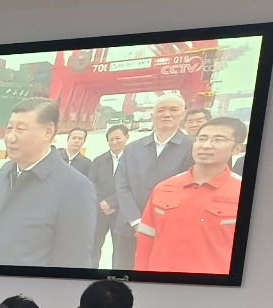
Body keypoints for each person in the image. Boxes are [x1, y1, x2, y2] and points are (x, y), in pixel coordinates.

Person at [0, 100, 97, 269]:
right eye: (9, 128)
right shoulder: (1, 176)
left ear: (48, 132)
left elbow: (72, 263)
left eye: (20, 129)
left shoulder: (75, 188)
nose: (10, 137)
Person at [134, 116, 244, 274]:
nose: (206, 145)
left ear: (237, 148)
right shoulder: (164, 188)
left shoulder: (241, 192)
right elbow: (146, 239)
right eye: (201, 139)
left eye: (218, 140)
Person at [113, 95, 192, 270]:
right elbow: (121, 186)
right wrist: (136, 221)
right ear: (152, 115)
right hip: (129, 226)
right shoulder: (132, 148)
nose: (166, 114)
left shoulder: (191, 147)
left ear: (183, 114)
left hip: (167, 229)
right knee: (123, 273)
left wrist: (153, 224)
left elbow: (190, 189)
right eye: (161, 110)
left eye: (173, 110)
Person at [90, 124, 129, 264]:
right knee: (93, 247)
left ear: (127, 137)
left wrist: (112, 202)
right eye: (110, 139)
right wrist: (102, 202)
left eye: (118, 138)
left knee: (120, 251)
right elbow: (91, 181)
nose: (114, 142)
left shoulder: (133, 160)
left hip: (122, 212)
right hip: (99, 211)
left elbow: (133, 184)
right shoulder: (99, 161)